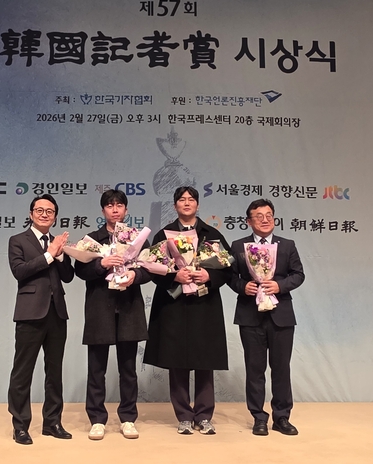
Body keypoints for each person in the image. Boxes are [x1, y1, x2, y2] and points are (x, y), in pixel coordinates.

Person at [143, 186, 230, 435]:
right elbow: (151, 269)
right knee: (176, 360)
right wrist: (174, 276)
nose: (187, 203)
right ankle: (183, 415)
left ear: (198, 205)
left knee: (205, 360)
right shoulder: (163, 234)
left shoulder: (211, 234)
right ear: (175, 206)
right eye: (181, 200)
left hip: (204, 305)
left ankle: (204, 416)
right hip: (174, 305)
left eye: (191, 199)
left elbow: (227, 268)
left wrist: (208, 276)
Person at [75, 190, 151, 440]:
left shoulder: (137, 238)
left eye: (119, 205)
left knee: (128, 369)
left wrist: (135, 275)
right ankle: (97, 419)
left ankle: (128, 417)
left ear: (126, 210)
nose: (115, 209)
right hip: (100, 309)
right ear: (103, 211)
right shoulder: (92, 239)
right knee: (96, 369)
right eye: (109, 205)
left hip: (128, 308)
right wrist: (101, 264)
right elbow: (80, 271)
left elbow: (150, 268)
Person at [228, 198, 305, 436]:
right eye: (259, 216)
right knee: (255, 369)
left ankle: (282, 417)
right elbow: (229, 276)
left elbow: (298, 274)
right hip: (250, 316)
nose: (265, 219)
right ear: (248, 221)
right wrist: (243, 287)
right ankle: (259, 417)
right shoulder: (238, 246)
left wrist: (279, 286)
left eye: (269, 215)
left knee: (281, 369)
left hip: (281, 316)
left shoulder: (287, 245)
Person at [6, 194, 74, 445]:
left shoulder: (57, 243)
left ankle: (52, 422)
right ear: (31, 214)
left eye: (50, 211)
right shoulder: (17, 240)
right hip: (30, 313)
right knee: (22, 372)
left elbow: (68, 277)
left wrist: (60, 255)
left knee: (54, 372)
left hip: (57, 313)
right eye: (40, 210)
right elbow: (19, 271)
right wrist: (48, 255)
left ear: (55, 216)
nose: (45, 214)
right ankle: (20, 426)